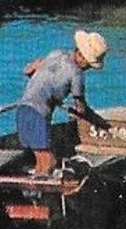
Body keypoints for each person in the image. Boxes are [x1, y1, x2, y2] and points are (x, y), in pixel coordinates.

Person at [17, 29, 108, 176]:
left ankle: (35, 189)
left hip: (23, 110)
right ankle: (42, 191)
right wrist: (97, 120)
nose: (88, 69)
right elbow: (81, 109)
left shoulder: (55, 54)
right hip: (38, 114)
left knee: (41, 160)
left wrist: (48, 89)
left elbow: (28, 70)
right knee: (49, 161)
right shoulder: (77, 75)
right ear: (83, 59)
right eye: (90, 66)